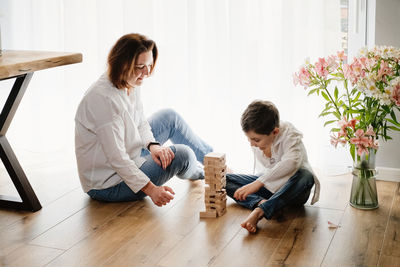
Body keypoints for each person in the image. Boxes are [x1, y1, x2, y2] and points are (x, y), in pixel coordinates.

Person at [75, 33, 213, 207]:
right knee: (182, 154)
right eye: (141, 67)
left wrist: (152, 145)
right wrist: (152, 190)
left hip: (131, 155)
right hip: (110, 184)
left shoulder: (129, 81)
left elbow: (140, 122)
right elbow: (117, 159)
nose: (147, 73)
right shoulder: (103, 100)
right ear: (122, 64)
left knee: (169, 117)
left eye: (148, 65)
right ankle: (206, 174)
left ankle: (215, 162)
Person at [226, 100, 320, 234]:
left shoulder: (290, 134)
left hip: (293, 191)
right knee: (223, 180)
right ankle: (261, 203)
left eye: (256, 140)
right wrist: (259, 182)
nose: (252, 144)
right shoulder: (259, 140)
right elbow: (266, 173)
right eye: (249, 139)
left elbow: (291, 162)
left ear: (275, 132)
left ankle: (260, 211)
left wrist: (258, 183)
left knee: (306, 176)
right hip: (270, 189)